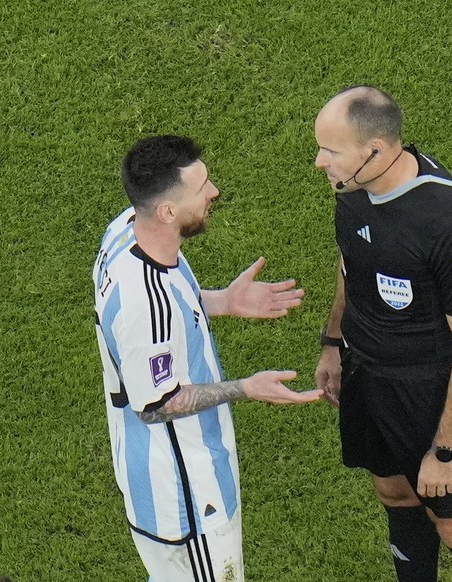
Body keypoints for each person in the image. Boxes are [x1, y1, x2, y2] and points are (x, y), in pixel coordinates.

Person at [93, 135, 322, 581]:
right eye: (201, 187)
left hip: (162, 478)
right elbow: (157, 404)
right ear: (168, 211)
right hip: (186, 498)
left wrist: (221, 301)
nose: (214, 191)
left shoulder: (126, 230)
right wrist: (245, 388)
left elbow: (165, 315)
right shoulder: (147, 304)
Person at [313, 86, 452, 582]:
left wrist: (445, 451)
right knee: (396, 496)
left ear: (374, 150)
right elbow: (349, 266)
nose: (319, 162)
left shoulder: (451, 221)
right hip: (364, 369)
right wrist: (334, 344)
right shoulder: (352, 189)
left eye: (330, 150)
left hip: (424, 389)